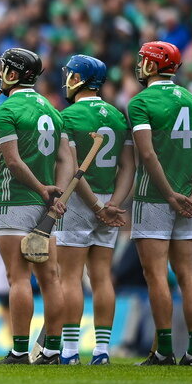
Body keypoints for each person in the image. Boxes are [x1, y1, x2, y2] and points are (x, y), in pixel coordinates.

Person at [128, 41, 192, 366]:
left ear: (152, 66)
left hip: (154, 198)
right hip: (188, 201)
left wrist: (169, 194)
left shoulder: (141, 102)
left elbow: (147, 155)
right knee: (188, 274)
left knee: (156, 274)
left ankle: (163, 350)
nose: (139, 65)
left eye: (143, 61)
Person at [0, 47, 75, 365]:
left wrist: (40, 189)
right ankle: (52, 350)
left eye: (4, 69)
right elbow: (67, 159)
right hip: (47, 207)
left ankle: (19, 351)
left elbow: (12, 161)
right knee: (50, 278)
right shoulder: (54, 111)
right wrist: (57, 197)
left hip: (17, 201)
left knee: (18, 278)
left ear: (14, 74)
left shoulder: (7, 110)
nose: (1, 74)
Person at [56, 55, 133, 365]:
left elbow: (74, 168)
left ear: (82, 79)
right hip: (108, 200)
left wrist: (97, 206)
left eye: (72, 75)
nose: (68, 79)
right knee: (102, 276)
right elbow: (129, 166)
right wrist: (113, 203)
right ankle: (101, 351)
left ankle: (71, 351)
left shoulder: (68, 116)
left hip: (79, 200)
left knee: (70, 278)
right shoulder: (118, 116)